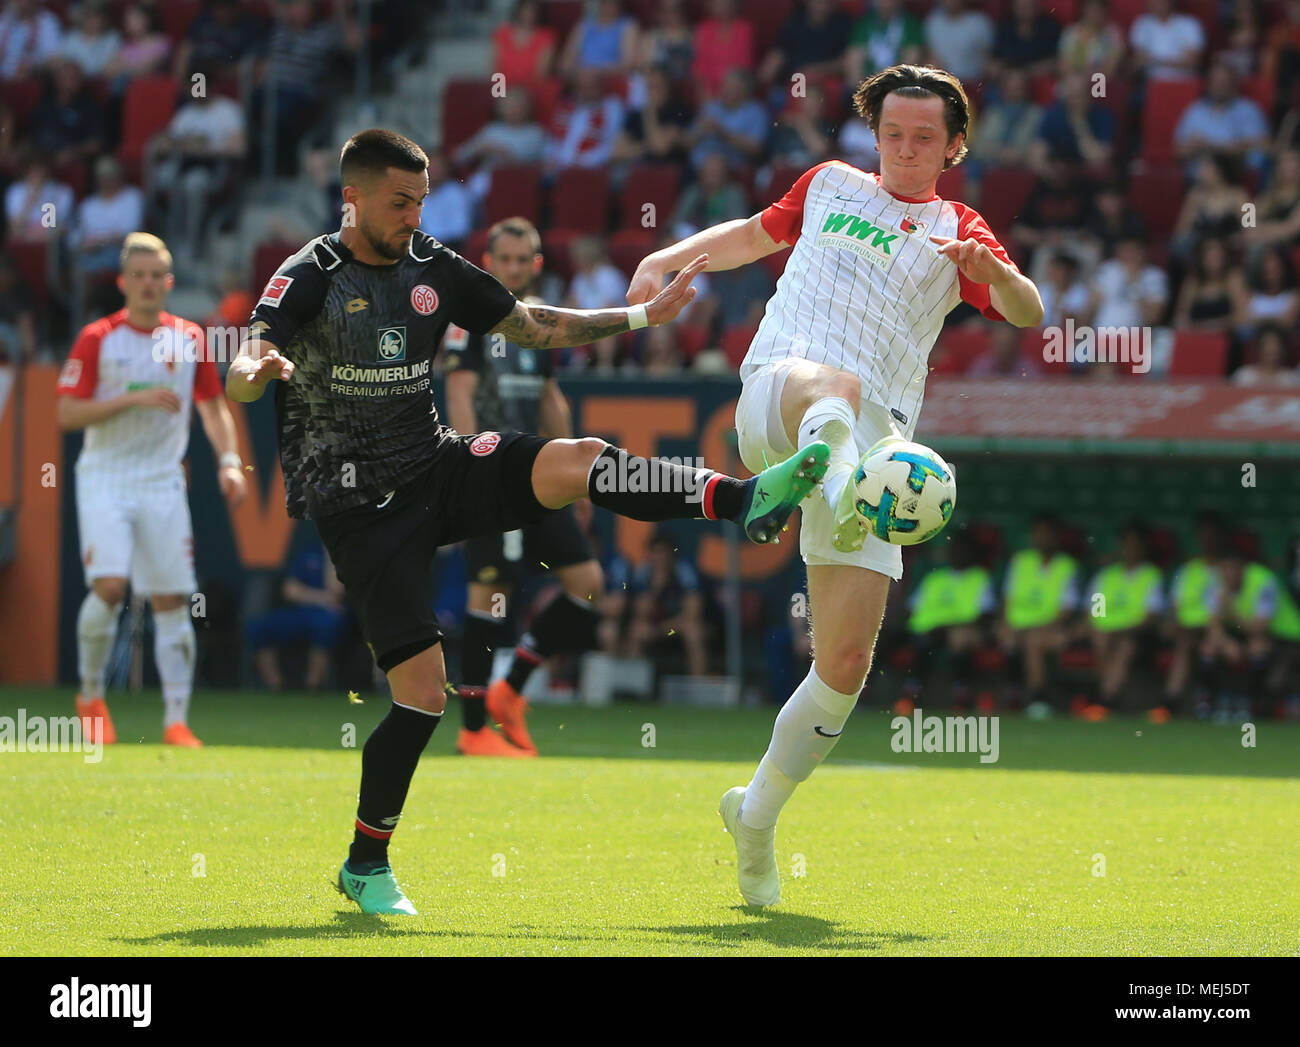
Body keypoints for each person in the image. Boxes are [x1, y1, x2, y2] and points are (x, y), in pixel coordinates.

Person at [225, 129, 831, 915]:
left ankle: (741, 498)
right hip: (358, 508)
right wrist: (254, 371)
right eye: (399, 201)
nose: (414, 213)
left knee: (576, 456)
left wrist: (640, 316)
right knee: (422, 697)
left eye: (422, 198)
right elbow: (247, 358)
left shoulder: (431, 266)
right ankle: (365, 864)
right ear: (354, 197)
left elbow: (530, 322)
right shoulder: (310, 273)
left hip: (435, 464)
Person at [626, 64, 1043, 907]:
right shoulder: (828, 184)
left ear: (954, 146)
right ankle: (812, 474)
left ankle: (755, 816)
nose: (906, 148)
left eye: (925, 138)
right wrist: (668, 254)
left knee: (846, 663)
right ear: (874, 134)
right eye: (893, 133)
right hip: (781, 396)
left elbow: (1030, 311)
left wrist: (992, 273)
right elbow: (751, 233)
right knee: (837, 394)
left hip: (880, 448)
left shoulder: (959, 226)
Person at [56, 232, 247, 749]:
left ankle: (176, 721)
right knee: (111, 587)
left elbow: (213, 408)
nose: (146, 285)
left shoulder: (189, 339)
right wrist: (130, 400)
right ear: (122, 282)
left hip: (163, 481)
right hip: (106, 477)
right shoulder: (98, 337)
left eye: (155, 276)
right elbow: (66, 412)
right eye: (136, 276)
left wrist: (230, 461)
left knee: (170, 599)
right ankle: (91, 697)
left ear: (169, 281)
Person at [443, 216, 604, 758]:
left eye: (523, 260)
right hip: (492, 477)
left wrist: (576, 479)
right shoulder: (469, 320)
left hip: (540, 475)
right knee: (489, 598)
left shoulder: (539, 323)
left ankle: (509, 693)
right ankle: (471, 731)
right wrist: (469, 468)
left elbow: (549, 398)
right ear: (488, 263)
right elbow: (459, 392)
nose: (513, 268)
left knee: (587, 584)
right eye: (504, 259)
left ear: (536, 265)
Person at [247, 537, 346, 692]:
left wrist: (330, 555)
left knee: (326, 627)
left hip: (329, 615)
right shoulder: (309, 552)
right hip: (301, 611)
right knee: (258, 627)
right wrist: (319, 598)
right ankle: (275, 685)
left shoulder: (342, 554)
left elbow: (336, 593)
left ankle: (312, 686)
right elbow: (290, 590)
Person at [1085, 522, 1164, 714]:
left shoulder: (1151, 575)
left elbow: (1151, 616)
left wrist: (1121, 630)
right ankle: (1110, 696)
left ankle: (1106, 700)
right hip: (1106, 632)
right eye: (1127, 543)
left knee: (1125, 645)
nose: (1130, 548)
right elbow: (1095, 612)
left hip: (1138, 634)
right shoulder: (1106, 576)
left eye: (1135, 543)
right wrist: (1106, 629)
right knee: (1101, 638)